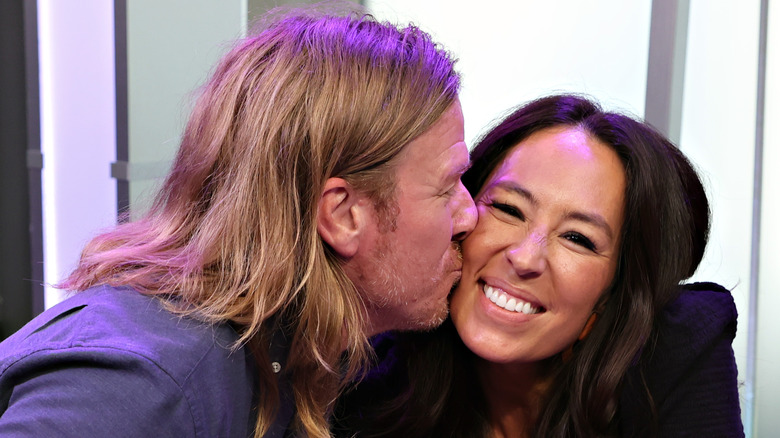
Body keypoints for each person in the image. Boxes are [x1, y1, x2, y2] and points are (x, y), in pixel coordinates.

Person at [0, 10, 477, 438]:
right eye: (449, 185)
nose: (470, 213)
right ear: (343, 214)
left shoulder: (315, 352)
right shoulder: (147, 382)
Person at [333, 94, 743, 437]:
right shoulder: (366, 377)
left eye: (577, 238)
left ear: (618, 287)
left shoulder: (674, 351)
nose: (525, 258)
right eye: (509, 209)